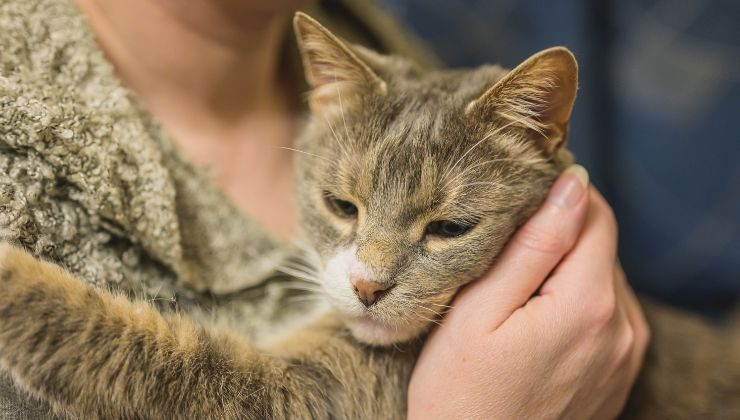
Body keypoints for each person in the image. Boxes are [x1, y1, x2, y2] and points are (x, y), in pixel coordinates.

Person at [0, 0, 647, 418]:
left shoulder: (369, 32)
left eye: (446, 227)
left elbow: (232, 400)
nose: (369, 278)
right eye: (343, 206)